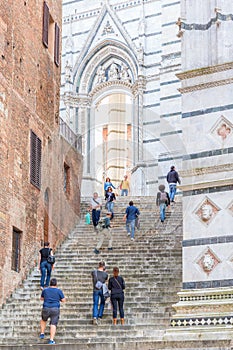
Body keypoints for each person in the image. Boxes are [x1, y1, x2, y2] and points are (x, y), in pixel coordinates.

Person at [39, 278, 66, 345]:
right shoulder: (59, 291)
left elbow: (41, 298)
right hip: (55, 309)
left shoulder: (45, 290)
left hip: (46, 307)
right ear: (56, 284)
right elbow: (63, 300)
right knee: (53, 324)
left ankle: (42, 333)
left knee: (43, 319)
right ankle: (51, 340)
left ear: (50, 283)